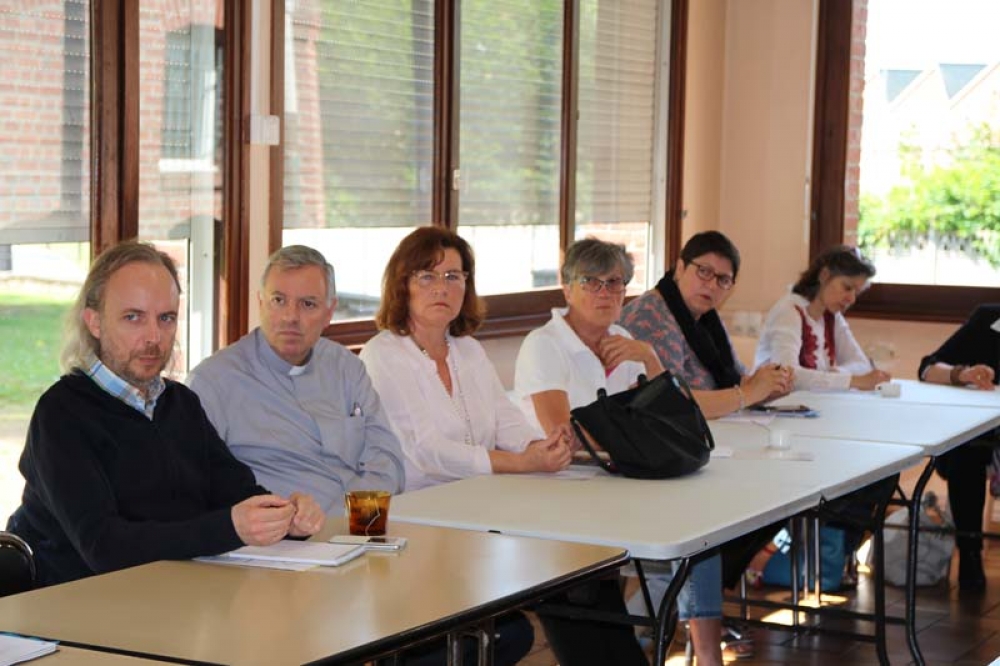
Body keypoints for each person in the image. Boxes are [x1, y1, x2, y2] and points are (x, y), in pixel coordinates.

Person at [6, 241, 325, 587]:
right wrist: (230, 527)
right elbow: (105, 547)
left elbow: (236, 492)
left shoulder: (180, 403)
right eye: (133, 318)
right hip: (76, 602)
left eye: (166, 318)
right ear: (94, 322)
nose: (154, 337)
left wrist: (286, 517)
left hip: (176, 592)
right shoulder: (61, 414)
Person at [359, 227, 571, 665]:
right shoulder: (383, 354)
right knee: (498, 633)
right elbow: (425, 452)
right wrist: (519, 463)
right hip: (411, 523)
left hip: (473, 516)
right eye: (427, 276)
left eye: (453, 276)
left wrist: (541, 445)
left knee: (515, 628)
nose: (442, 288)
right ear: (402, 284)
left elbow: (504, 417)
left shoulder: (468, 350)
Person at [620, 230, 793, 659]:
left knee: (777, 499)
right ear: (679, 267)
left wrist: (766, 383)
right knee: (713, 527)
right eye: (703, 272)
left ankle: (659, 620)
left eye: (723, 280)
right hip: (655, 460)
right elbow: (672, 402)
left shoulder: (704, 320)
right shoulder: (651, 315)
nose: (711, 285)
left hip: (707, 448)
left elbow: (734, 381)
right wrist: (747, 394)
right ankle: (681, 632)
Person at [512, 238, 668, 666]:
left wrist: (651, 359)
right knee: (589, 614)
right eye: (591, 282)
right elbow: (563, 432)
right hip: (556, 496)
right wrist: (630, 436)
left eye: (614, 282)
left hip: (610, 490)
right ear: (567, 288)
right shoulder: (544, 344)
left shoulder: (625, 340)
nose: (605, 292)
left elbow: (664, 423)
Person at [188, 245, 404, 514]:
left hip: (362, 522)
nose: (291, 317)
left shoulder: (346, 367)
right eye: (278, 300)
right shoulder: (212, 383)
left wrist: (357, 513)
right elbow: (199, 488)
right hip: (282, 532)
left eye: (308, 304)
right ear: (260, 303)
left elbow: (387, 457)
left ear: (329, 312)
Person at [918, 304, 1000, 591]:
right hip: (988, 436)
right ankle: (969, 552)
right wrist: (962, 374)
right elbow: (928, 368)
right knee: (967, 450)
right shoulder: (990, 320)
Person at [755, 245, 891, 391]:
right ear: (824, 275)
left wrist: (836, 374)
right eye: (847, 287)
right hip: (775, 403)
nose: (851, 299)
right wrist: (851, 380)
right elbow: (786, 375)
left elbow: (862, 364)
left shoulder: (832, 315)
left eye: (856, 293)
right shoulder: (788, 311)